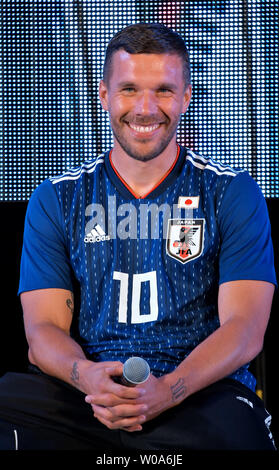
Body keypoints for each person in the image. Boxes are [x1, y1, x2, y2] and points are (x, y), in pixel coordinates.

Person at [0, 23, 277, 451]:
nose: (146, 108)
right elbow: (42, 332)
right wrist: (87, 376)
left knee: (240, 435)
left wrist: (167, 389)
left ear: (186, 96)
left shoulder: (230, 192)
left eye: (164, 90)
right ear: (104, 94)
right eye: (129, 89)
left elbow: (244, 330)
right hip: (88, 398)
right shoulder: (56, 198)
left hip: (198, 394)